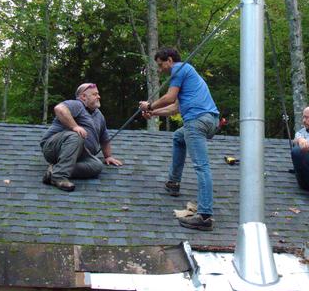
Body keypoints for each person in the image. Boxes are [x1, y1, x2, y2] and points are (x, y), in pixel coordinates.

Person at [140, 48, 219, 231]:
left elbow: (169, 97)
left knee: (201, 166)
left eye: (160, 65)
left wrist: (149, 104)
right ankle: (173, 183)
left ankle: (205, 216)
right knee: (178, 137)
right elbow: (174, 108)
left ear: (169, 60)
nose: (160, 70)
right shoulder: (188, 74)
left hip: (196, 122)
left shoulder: (179, 69)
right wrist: (153, 113)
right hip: (209, 120)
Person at [40, 83, 123, 192]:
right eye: (95, 94)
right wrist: (75, 126)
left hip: (79, 154)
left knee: (96, 165)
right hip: (53, 148)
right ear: (83, 96)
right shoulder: (77, 105)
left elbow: (104, 138)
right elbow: (59, 109)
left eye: (98, 94)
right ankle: (58, 176)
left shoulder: (99, 116)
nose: (99, 97)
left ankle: (54, 171)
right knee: (77, 136)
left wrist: (108, 156)